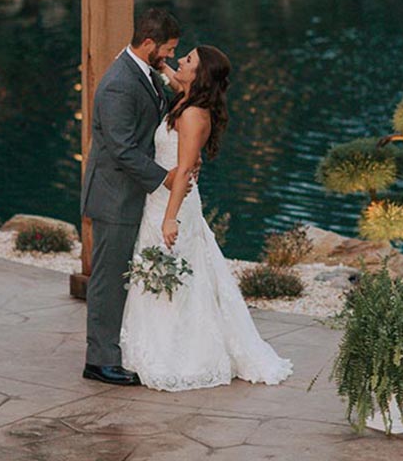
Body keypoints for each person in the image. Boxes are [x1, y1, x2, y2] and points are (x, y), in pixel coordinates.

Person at [119, 45, 293, 391]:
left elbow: (183, 172)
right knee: (164, 271)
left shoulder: (193, 114)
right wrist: (160, 63)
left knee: (177, 274)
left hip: (174, 203)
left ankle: (180, 353)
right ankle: (149, 347)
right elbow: (171, 79)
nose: (181, 60)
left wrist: (170, 220)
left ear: (199, 75)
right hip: (161, 199)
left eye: (188, 60)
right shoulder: (185, 98)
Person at [80, 7, 190, 386]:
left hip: (130, 194)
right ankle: (99, 360)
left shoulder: (142, 71)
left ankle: (116, 348)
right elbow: (122, 148)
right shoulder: (117, 85)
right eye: (168, 50)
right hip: (114, 197)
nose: (171, 57)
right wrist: (166, 178)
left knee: (121, 276)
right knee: (108, 280)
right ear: (148, 43)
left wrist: (172, 79)